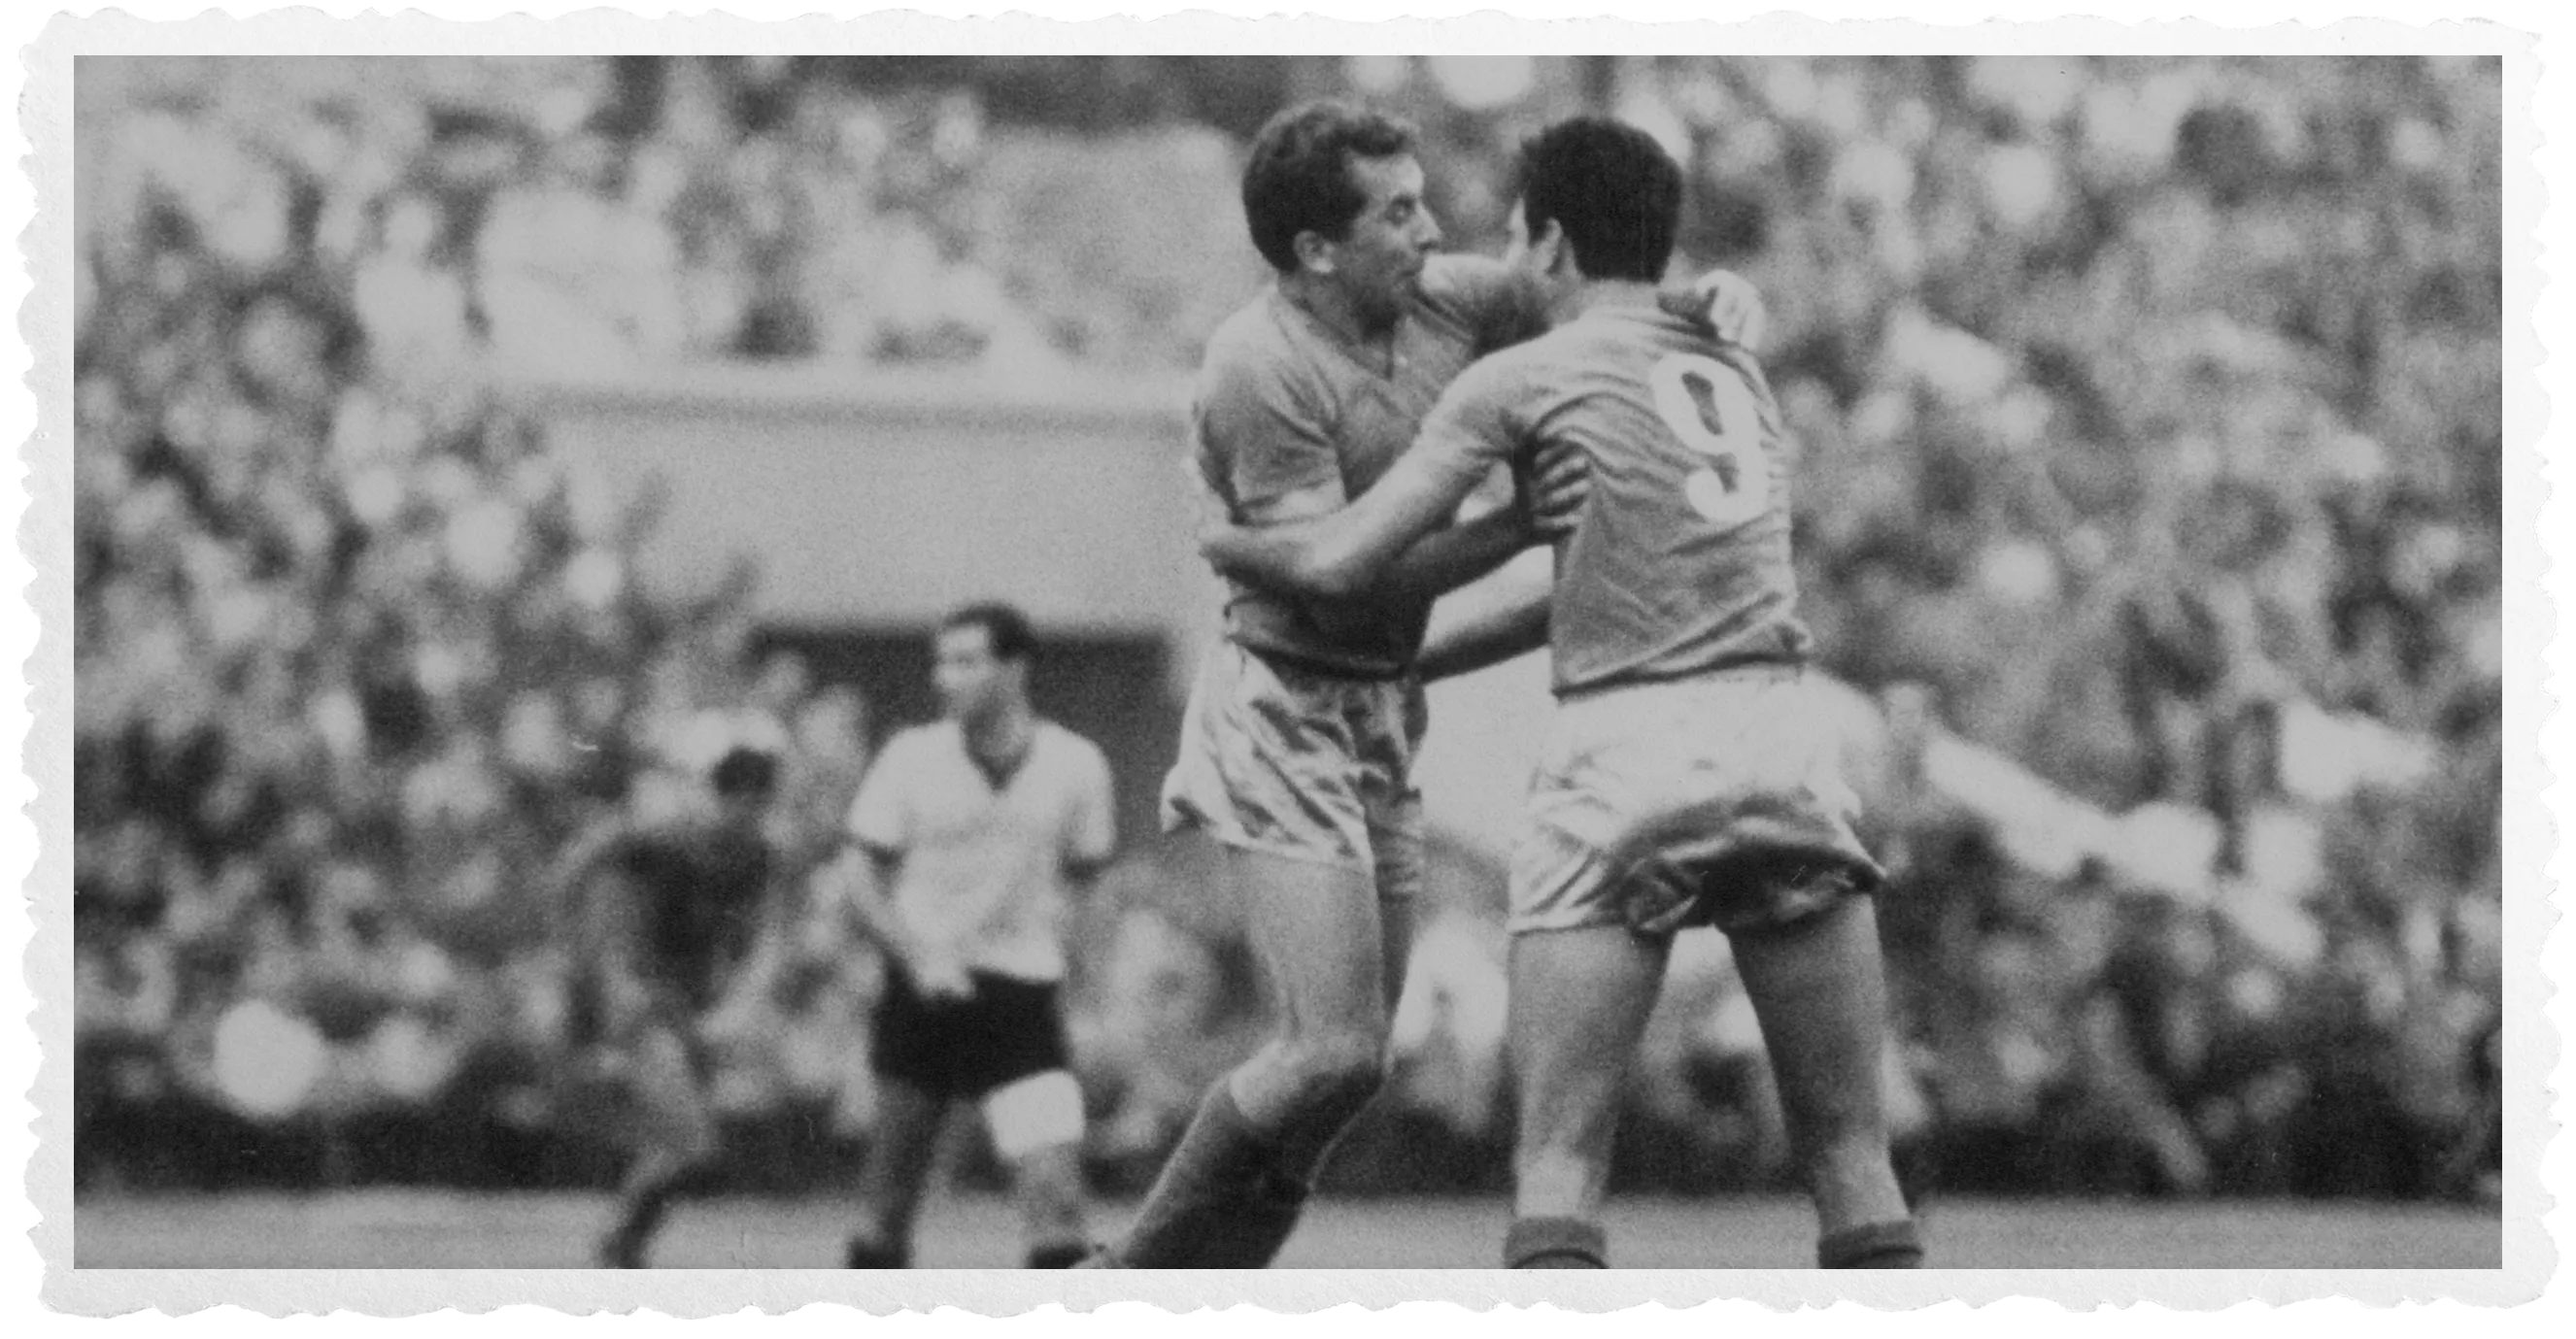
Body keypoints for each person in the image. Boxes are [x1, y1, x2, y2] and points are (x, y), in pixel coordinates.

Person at [1198, 117, 1923, 1270]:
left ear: (1543, 244)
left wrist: (1235, 548)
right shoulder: (1738, 367)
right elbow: (1593, 581)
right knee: (1850, 1156)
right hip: (1781, 734)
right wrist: (1420, 664)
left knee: (1561, 1162)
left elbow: (1341, 564)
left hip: (1625, 750)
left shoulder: (1520, 379)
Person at [1085, 99, 1763, 1270]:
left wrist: (1706, 301)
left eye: (1421, 199)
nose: (1429, 225)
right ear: (1315, 252)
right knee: (1327, 1050)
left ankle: (1207, 1286)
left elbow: (1592, 293)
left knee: (1355, 1066)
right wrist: (1514, 528)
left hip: (1385, 706)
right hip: (1284, 704)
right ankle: (1127, 1278)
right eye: (1396, 211)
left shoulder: (1446, 295)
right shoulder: (1261, 366)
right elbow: (1337, 584)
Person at [831, 602, 1117, 1271]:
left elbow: (1090, 884)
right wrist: (916, 952)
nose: (944, 677)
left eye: (965, 661)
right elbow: (860, 871)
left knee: (1054, 1191)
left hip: (1021, 998)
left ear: (1015, 669)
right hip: (922, 994)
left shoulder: (1077, 763)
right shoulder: (910, 757)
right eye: (941, 661)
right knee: (889, 1199)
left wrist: (1089, 990)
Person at [557, 732, 793, 1269]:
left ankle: (623, 1241)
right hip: (642, 1001)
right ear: (725, 796)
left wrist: (743, 999)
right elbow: (583, 862)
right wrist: (585, 949)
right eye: (749, 802)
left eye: (763, 805)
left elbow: (771, 935)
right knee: (692, 1142)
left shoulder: (759, 857)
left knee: (674, 1145)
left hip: (691, 1006)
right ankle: (622, 1237)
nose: (755, 816)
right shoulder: (666, 840)